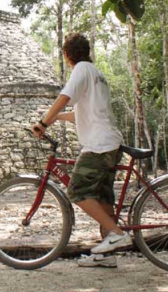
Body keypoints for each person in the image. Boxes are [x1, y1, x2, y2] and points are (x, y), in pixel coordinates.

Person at [31, 32, 131, 268]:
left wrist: (44, 122)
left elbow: (65, 97)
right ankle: (105, 255)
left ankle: (117, 233)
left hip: (98, 145)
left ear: (67, 55)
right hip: (111, 142)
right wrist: (56, 119)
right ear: (87, 52)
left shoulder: (81, 70)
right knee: (103, 199)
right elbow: (82, 113)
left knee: (76, 191)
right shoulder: (97, 74)